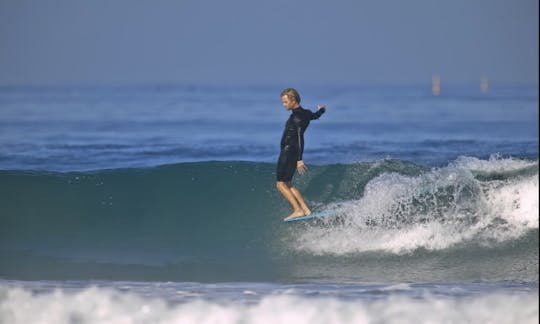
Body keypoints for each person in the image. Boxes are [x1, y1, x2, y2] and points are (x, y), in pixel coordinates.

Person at [276, 88, 326, 221]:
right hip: (292, 152)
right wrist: (322, 110)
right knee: (287, 183)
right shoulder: (306, 113)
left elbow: (300, 137)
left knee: (280, 184)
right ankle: (305, 209)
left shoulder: (297, 117)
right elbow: (316, 115)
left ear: (294, 100)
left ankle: (297, 210)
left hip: (288, 151)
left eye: (285, 102)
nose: (284, 104)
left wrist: (300, 159)